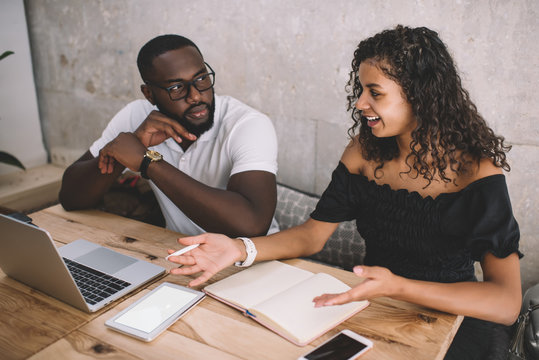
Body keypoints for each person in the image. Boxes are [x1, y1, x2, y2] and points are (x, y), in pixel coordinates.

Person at [167, 26, 522, 360]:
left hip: (456, 319)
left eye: (376, 93)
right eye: (361, 90)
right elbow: (311, 235)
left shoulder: (476, 172)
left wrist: (397, 286)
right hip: (374, 305)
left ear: (420, 96)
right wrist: (240, 248)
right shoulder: (363, 152)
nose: (360, 104)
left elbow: (506, 304)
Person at [59, 34, 279, 237]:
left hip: (252, 261)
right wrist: (123, 153)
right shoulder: (135, 116)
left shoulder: (246, 124)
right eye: (176, 88)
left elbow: (251, 225)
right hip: (177, 252)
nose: (195, 96)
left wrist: (148, 162)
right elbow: (70, 198)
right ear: (149, 94)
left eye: (201, 79)